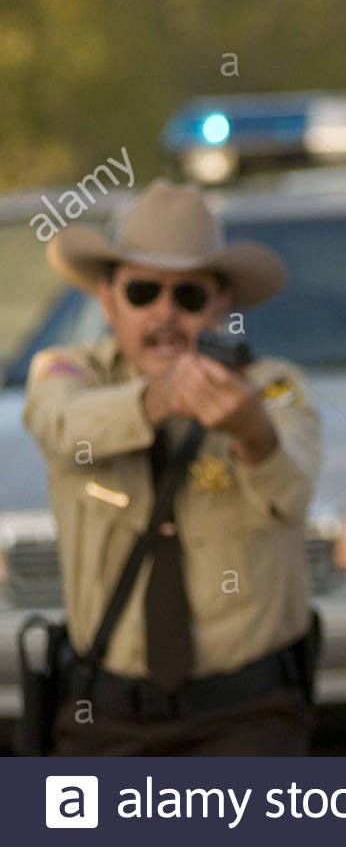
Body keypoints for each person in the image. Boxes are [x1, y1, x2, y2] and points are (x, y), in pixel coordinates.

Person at [24, 179, 321, 755]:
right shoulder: (67, 371)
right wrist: (156, 400)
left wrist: (251, 431)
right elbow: (61, 426)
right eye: (142, 292)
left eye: (188, 296)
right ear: (107, 298)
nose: (165, 313)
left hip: (246, 715)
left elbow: (293, 491)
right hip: (105, 715)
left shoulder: (272, 386)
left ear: (221, 304)